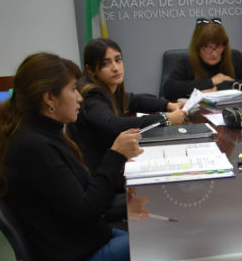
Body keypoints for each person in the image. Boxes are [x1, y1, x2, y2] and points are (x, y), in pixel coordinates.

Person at [0, 52, 142, 261]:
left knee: (157, 236)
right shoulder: (33, 147)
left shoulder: (44, 134)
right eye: (73, 90)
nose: (79, 98)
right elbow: (87, 210)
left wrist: (116, 164)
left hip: (86, 247)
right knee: (164, 246)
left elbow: (85, 193)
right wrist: (114, 156)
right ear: (50, 99)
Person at [72, 37, 186, 173]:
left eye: (118, 59)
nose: (115, 68)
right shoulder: (92, 96)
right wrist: (165, 119)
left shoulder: (110, 88)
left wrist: (169, 105)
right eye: (105, 63)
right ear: (90, 70)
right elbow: (114, 125)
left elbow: (135, 100)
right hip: (98, 173)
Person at [162, 17, 242, 101]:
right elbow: (169, 90)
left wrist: (218, 88)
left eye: (218, 45)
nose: (214, 53)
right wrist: (211, 81)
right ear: (197, 47)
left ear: (224, 46)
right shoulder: (187, 62)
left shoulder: (234, 57)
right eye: (206, 47)